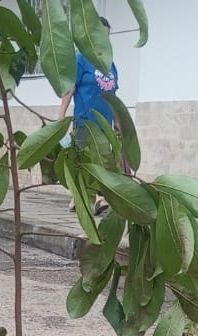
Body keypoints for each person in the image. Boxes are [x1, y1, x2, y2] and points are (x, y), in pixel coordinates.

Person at [57, 18, 119, 213]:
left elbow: (114, 96)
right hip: (84, 121)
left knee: (102, 161)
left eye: (107, 36)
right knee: (83, 160)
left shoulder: (110, 65)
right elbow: (69, 89)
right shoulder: (80, 59)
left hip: (105, 124)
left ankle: (96, 197)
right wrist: (61, 117)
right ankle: (81, 197)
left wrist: (118, 122)